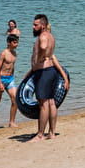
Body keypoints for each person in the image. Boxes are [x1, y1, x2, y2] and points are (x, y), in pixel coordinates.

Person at [28, 14, 67, 142]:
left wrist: (38, 59)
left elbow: (44, 47)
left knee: (43, 104)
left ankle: (40, 135)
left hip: (44, 72)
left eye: (35, 25)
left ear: (42, 25)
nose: (33, 27)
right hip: (51, 71)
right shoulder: (51, 36)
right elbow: (52, 56)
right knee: (51, 102)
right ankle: (52, 133)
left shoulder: (43, 36)